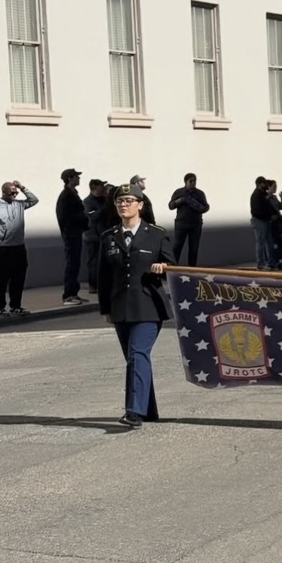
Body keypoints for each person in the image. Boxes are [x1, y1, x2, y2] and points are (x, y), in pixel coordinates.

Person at [97, 183, 175, 428]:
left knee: (137, 354)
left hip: (149, 305)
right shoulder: (109, 237)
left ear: (140, 205)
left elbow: (174, 267)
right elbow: (103, 276)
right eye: (120, 201)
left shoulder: (156, 234)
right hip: (120, 307)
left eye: (129, 200)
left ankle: (133, 411)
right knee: (134, 358)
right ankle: (148, 409)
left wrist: (164, 268)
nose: (123, 205)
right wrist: (105, 309)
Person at [0, 179, 39, 316]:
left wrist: (22, 187)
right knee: (2, 279)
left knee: (18, 278)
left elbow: (34, 200)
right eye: (11, 193)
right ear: (4, 193)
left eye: (15, 193)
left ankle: (16, 305)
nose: (14, 196)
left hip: (19, 247)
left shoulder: (19, 204)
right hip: (5, 248)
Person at [56, 168, 89, 306]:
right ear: (70, 178)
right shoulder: (66, 195)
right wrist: (84, 218)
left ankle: (74, 293)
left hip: (75, 232)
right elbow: (65, 216)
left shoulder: (72, 193)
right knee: (72, 263)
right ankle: (68, 295)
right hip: (71, 234)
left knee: (75, 263)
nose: (79, 179)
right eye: (76, 176)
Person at [168, 173, 209, 266]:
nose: (193, 183)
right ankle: (173, 269)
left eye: (194, 181)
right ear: (186, 182)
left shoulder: (199, 194)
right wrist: (179, 201)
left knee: (193, 249)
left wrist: (195, 204)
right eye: (191, 181)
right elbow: (170, 206)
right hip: (181, 224)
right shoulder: (179, 192)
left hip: (195, 225)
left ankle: (191, 270)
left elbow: (205, 208)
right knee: (177, 247)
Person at [82, 178, 108, 294]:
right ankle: (93, 285)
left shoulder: (104, 200)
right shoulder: (87, 202)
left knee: (106, 262)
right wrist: (104, 207)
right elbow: (92, 217)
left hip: (104, 235)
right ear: (94, 187)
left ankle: (104, 284)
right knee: (93, 262)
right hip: (92, 237)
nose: (103, 188)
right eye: (101, 186)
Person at [249, 176, 277, 270]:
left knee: (269, 242)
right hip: (259, 221)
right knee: (261, 242)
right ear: (259, 184)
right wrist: (269, 216)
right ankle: (260, 263)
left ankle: (271, 262)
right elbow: (257, 211)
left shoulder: (263, 194)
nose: (266, 185)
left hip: (266, 220)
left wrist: (274, 214)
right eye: (264, 183)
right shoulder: (256, 195)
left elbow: (269, 206)